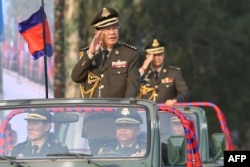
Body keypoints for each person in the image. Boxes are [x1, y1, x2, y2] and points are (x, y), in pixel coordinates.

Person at [71, 7, 141, 98]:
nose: (112, 33)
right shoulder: (87, 54)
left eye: (114, 28)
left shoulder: (129, 54)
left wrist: (125, 109)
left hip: (117, 110)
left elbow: (132, 89)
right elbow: (76, 77)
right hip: (92, 110)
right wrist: (91, 54)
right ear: (97, 33)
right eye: (107, 29)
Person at [138, 38, 190, 105]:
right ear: (147, 56)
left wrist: (174, 101)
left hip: (166, 113)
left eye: (160, 55)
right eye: (154, 55)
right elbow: (131, 83)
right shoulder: (143, 73)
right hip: (146, 113)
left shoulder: (173, 73)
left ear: (164, 55)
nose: (157, 58)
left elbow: (185, 93)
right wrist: (144, 67)